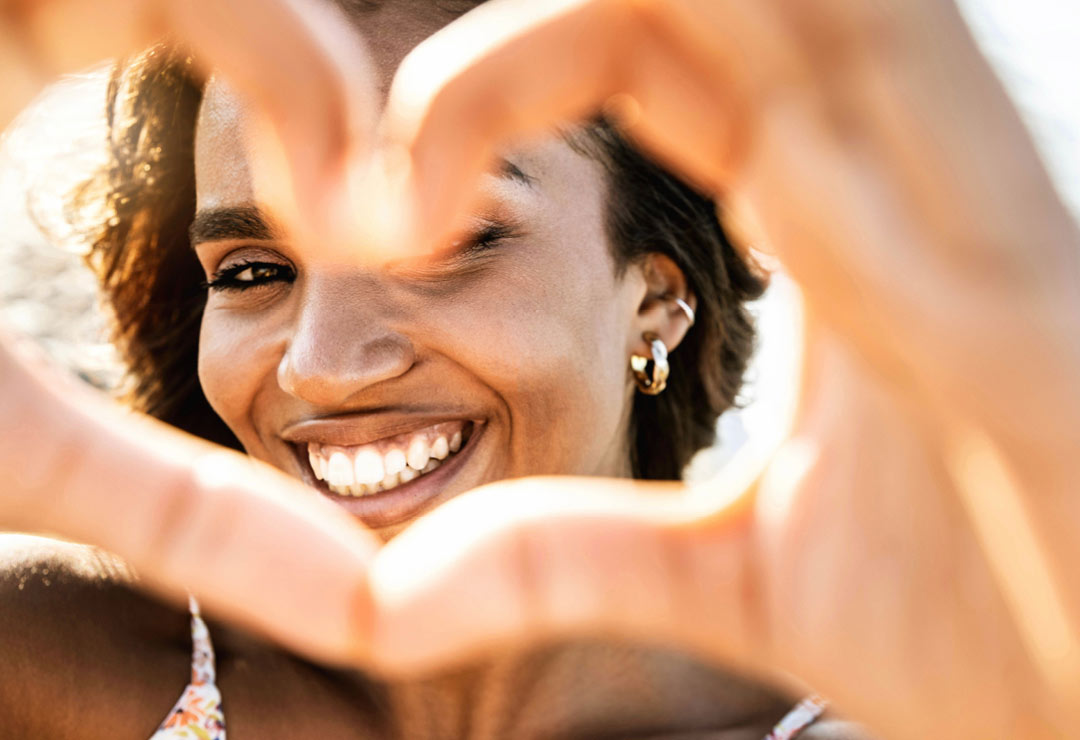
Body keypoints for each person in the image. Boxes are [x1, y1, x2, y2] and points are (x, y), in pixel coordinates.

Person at [1, 0, 1078, 738]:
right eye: (251, 268)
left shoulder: (934, 700)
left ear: (655, 295)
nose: (325, 364)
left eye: (447, 244)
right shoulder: (43, 658)